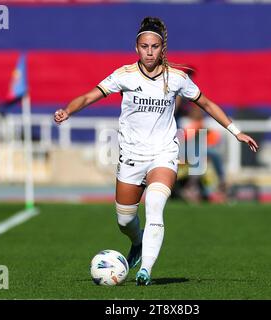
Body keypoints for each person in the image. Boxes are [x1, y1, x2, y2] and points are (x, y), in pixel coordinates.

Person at [54, 16, 259, 285]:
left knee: (154, 205)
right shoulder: (123, 76)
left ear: (163, 49)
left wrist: (236, 131)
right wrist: (68, 110)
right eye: (144, 46)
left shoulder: (176, 78)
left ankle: (145, 270)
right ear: (136, 48)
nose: (149, 51)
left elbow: (206, 104)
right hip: (130, 157)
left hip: (163, 154)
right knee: (125, 221)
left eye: (154, 46)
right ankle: (137, 242)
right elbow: (90, 96)